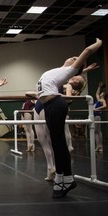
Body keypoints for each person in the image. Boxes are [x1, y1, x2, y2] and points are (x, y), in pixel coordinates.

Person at [36, 38, 102, 198]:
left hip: (56, 104)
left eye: (75, 59)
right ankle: (63, 178)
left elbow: (86, 52)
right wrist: (83, 71)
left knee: (58, 144)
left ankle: (65, 179)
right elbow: (71, 73)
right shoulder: (61, 72)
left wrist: (98, 43)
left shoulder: (68, 71)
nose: (73, 58)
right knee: (57, 143)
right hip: (49, 106)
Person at [31, 63, 99, 181]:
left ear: (76, 83)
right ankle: (50, 167)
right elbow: (69, 73)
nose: (73, 77)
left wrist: (55, 94)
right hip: (39, 105)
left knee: (50, 139)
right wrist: (85, 70)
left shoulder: (68, 86)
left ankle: (55, 168)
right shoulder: (62, 80)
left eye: (75, 78)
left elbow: (68, 93)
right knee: (42, 139)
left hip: (46, 104)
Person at [94, 81, 107, 152]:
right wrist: (99, 87)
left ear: (103, 95)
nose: (100, 93)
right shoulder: (99, 99)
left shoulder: (102, 100)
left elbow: (105, 106)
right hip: (95, 116)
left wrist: (96, 109)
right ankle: (99, 146)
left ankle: (99, 146)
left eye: (102, 93)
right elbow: (96, 93)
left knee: (97, 131)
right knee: (97, 131)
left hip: (97, 116)